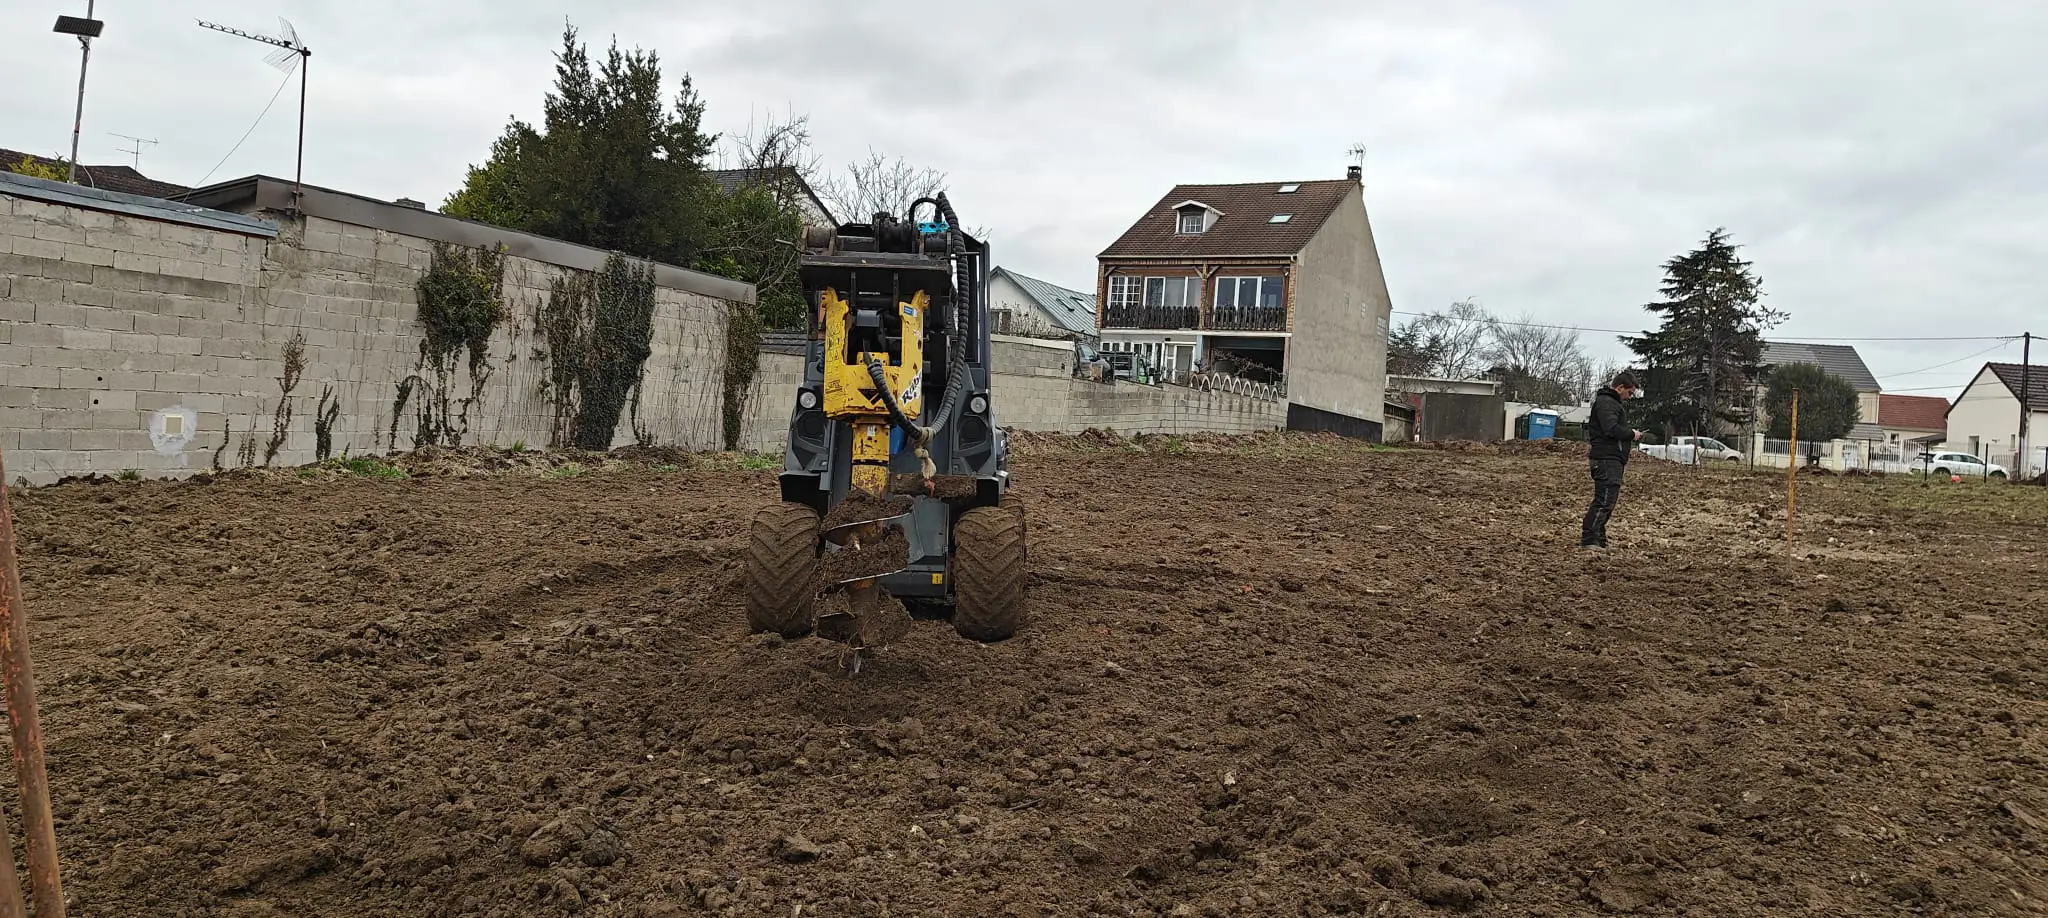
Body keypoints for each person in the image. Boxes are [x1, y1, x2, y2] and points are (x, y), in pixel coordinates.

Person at [1581, 371, 1642, 550]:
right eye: (1629, 393)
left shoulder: (1608, 403)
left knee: (1607, 500)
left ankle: (1598, 539)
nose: (1629, 397)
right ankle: (1590, 539)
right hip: (1607, 459)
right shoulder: (1607, 403)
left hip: (1609, 459)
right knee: (1605, 500)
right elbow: (1611, 429)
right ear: (1620, 387)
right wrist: (1632, 434)